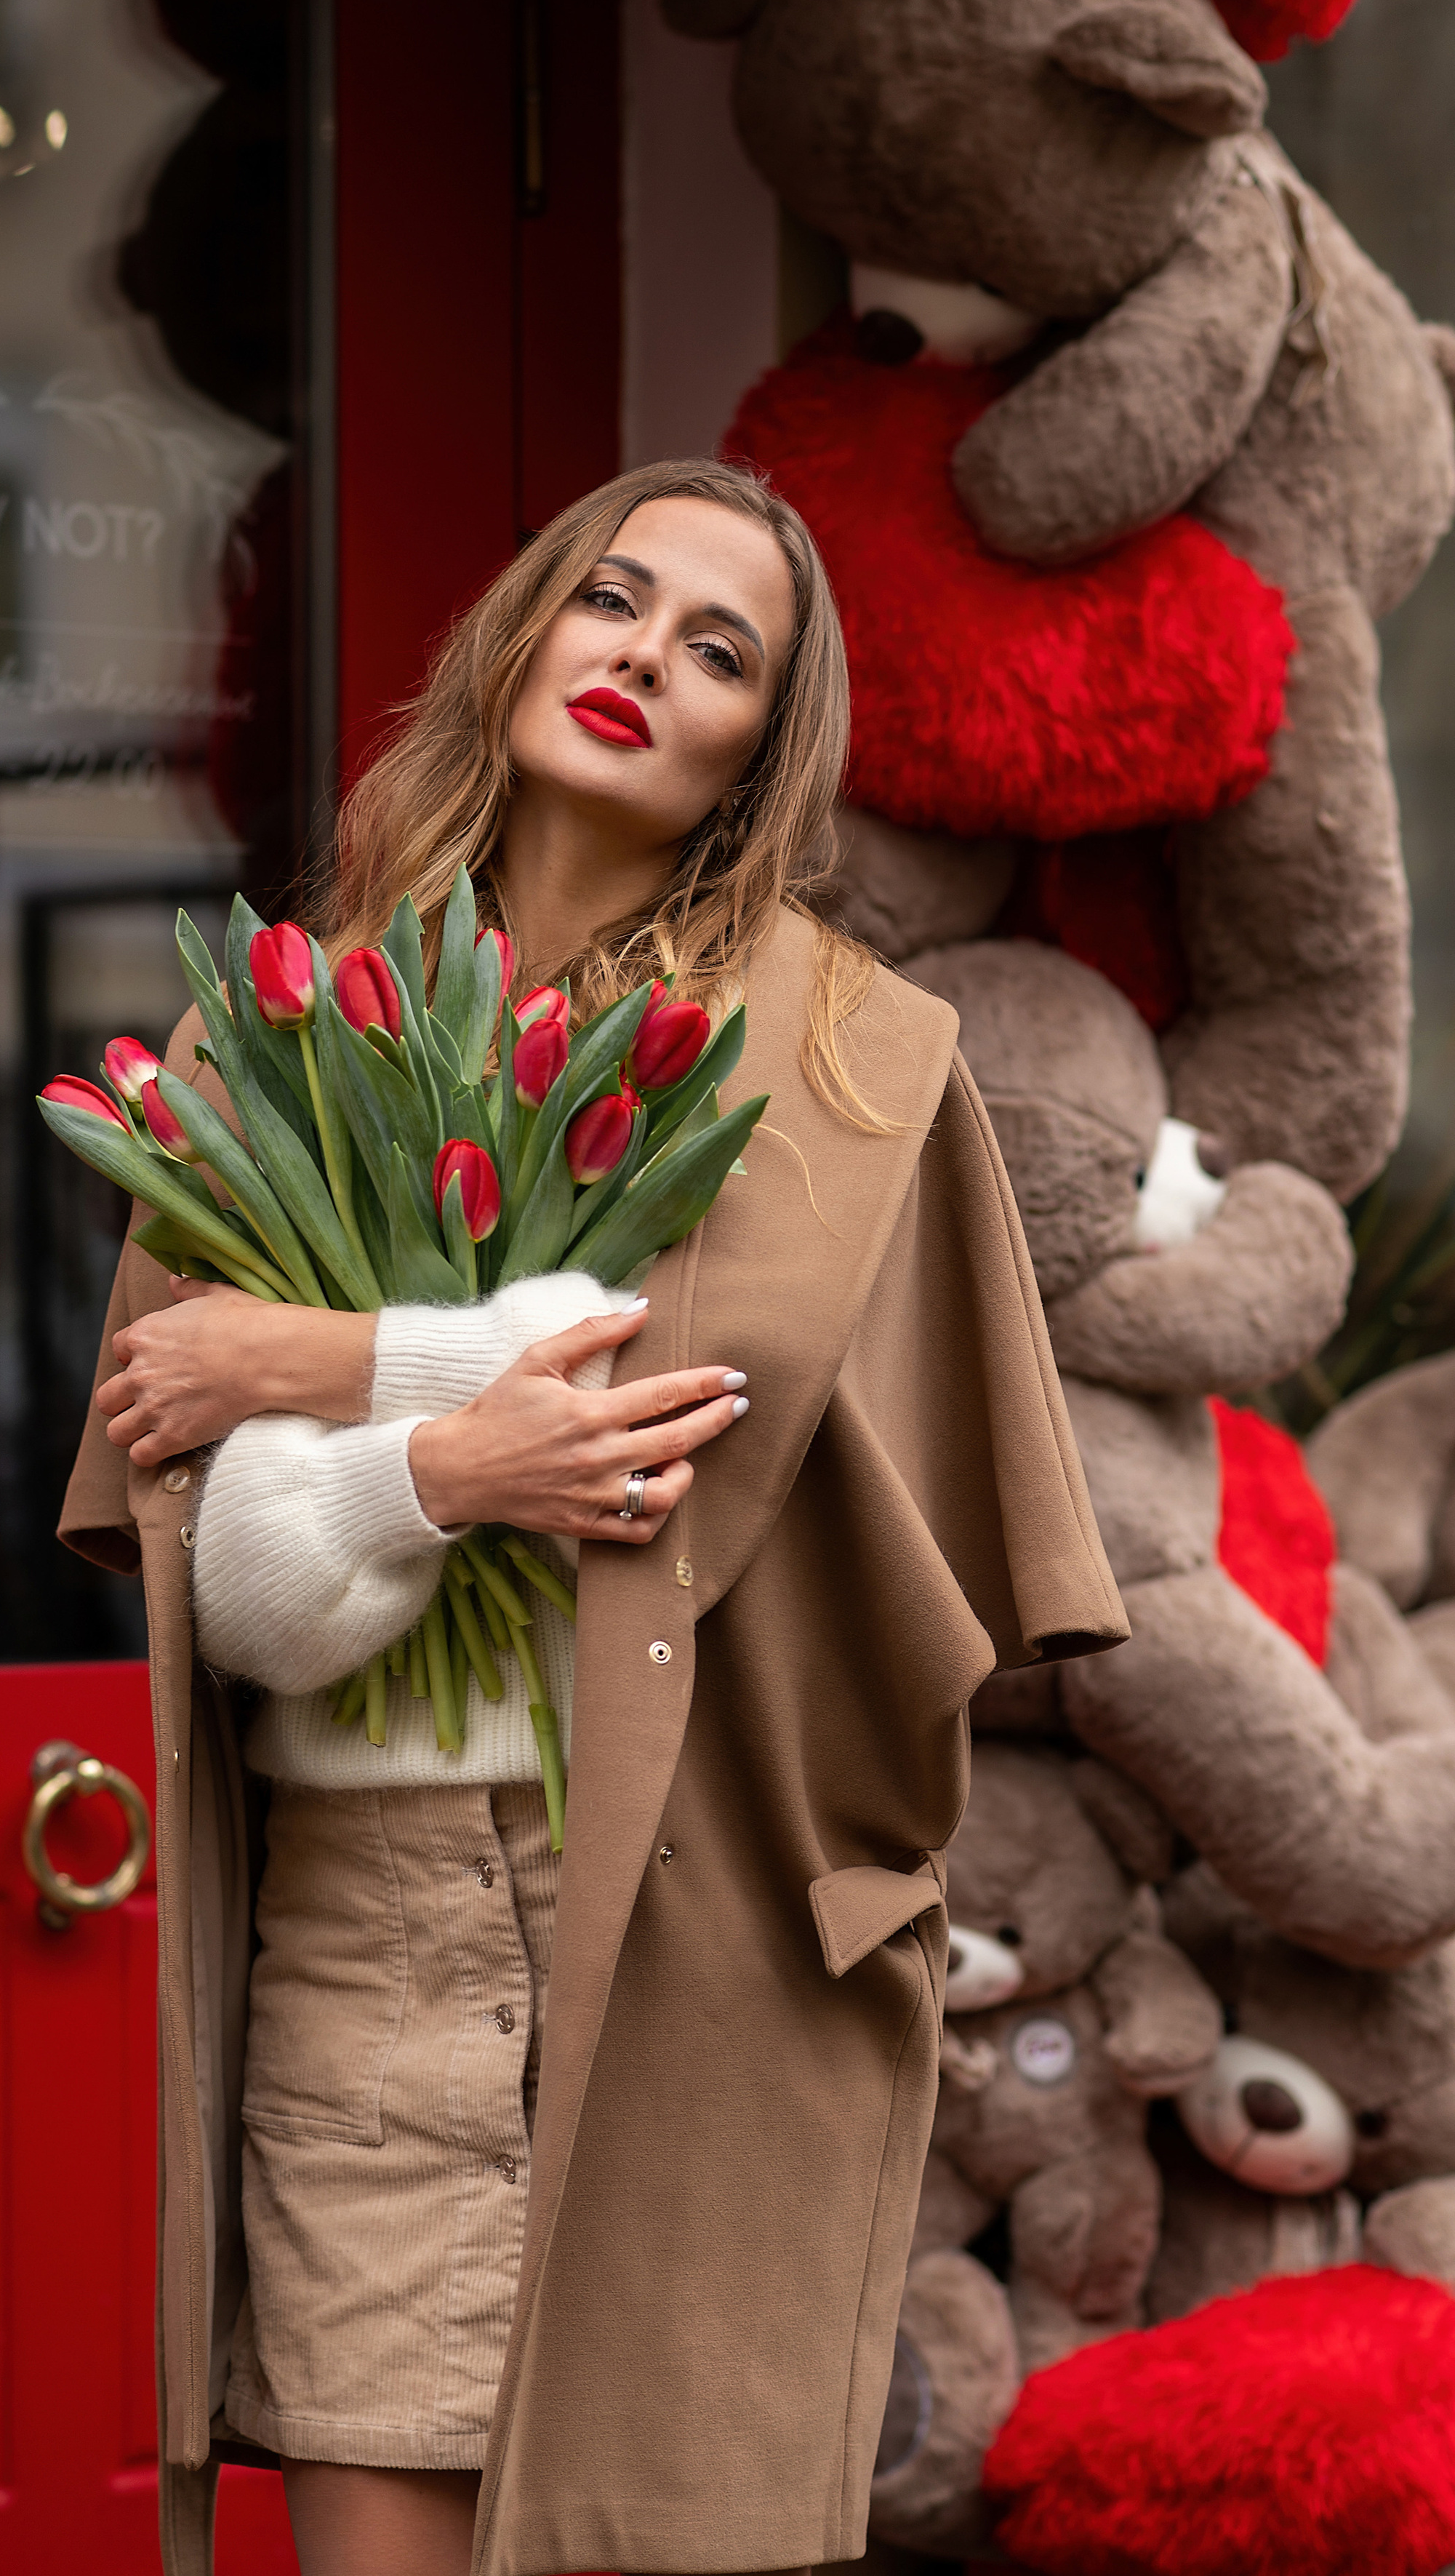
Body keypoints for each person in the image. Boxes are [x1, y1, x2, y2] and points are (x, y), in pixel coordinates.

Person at [60, 458, 1126, 2576]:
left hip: (686, 1907)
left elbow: (676, 1421)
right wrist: (447, 1463)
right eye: (613, 603)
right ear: (525, 632)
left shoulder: (840, 1064)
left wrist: (307, 1365)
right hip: (361, 1922)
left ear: (760, 748)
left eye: (717, 649)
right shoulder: (275, 1028)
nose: (644, 657)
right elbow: (235, 1562)